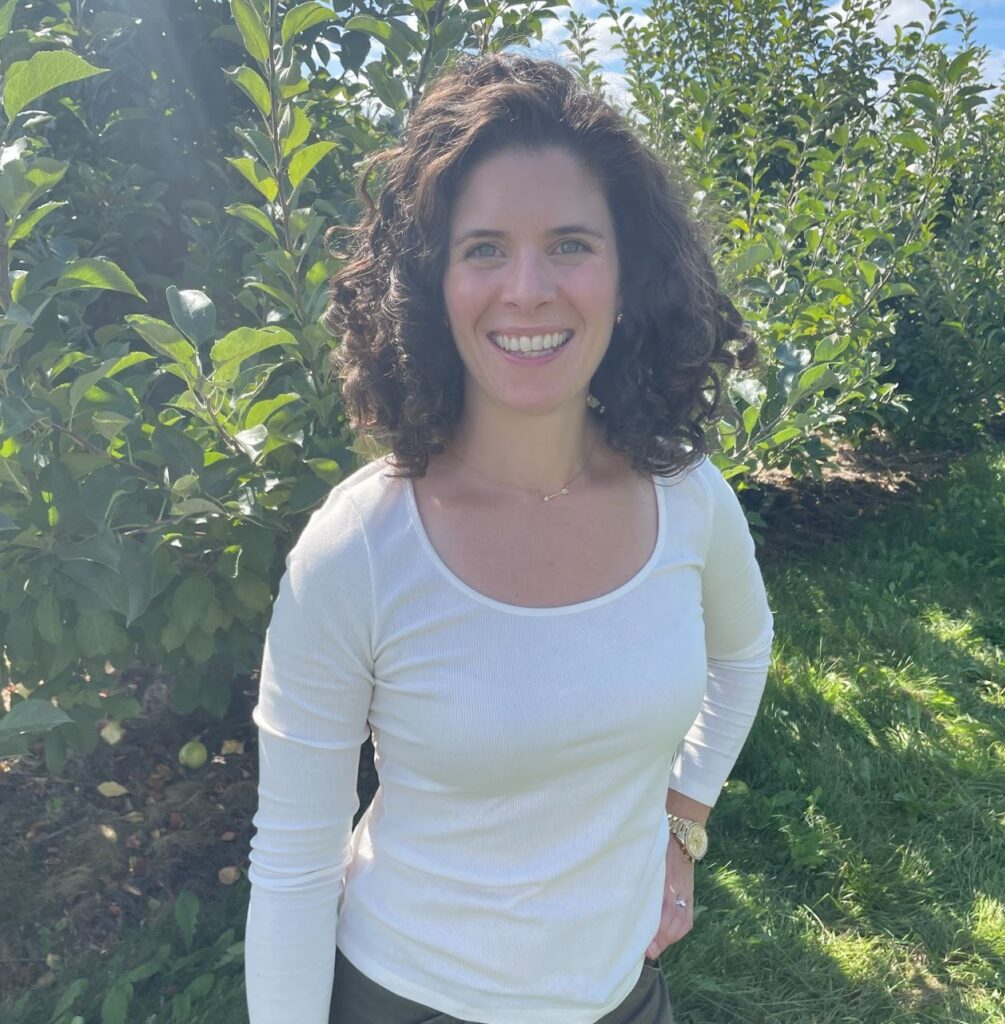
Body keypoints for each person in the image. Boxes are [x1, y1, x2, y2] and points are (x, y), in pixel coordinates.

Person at [244, 52, 774, 1024]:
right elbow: (292, 862)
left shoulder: (687, 502)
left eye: (569, 242)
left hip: (622, 997)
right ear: (430, 284)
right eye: (483, 247)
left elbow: (742, 655)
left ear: (628, 275)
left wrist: (681, 824)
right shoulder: (358, 547)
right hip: (407, 997)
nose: (526, 288)